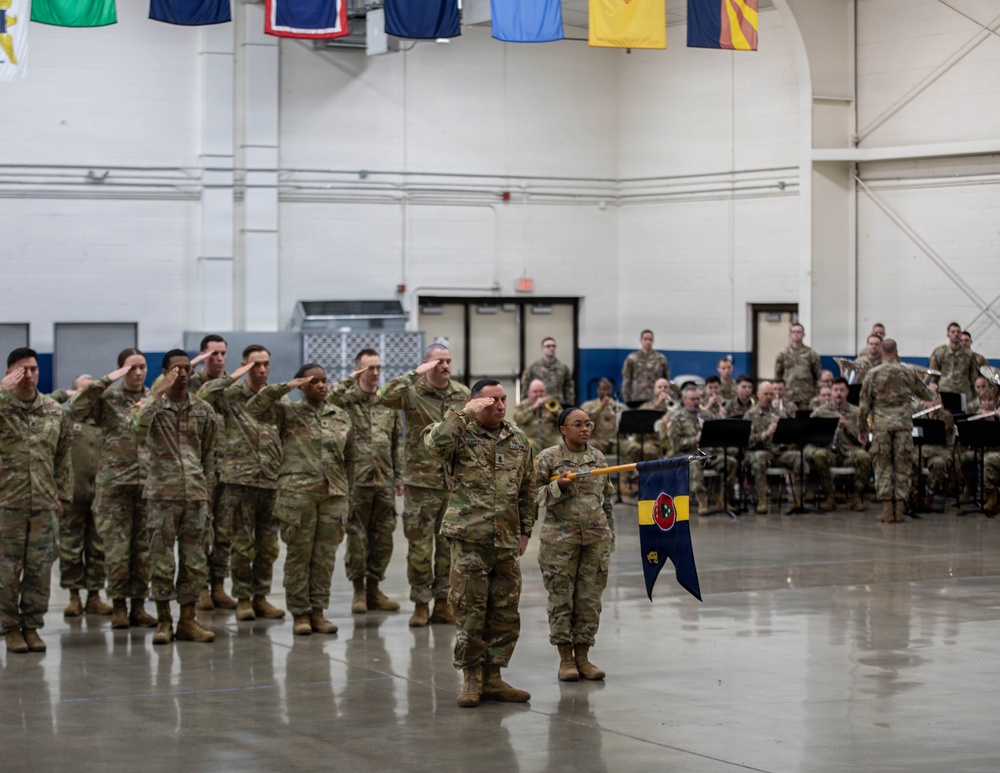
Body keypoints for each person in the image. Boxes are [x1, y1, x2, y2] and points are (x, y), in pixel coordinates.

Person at [423, 379, 536, 708]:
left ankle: (494, 676)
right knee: (470, 610)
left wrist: (525, 530)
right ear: (476, 404)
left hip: (506, 539)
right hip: (469, 538)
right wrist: (462, 414)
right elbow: (434, 446)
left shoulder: (518, 439)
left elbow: (527, 487)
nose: (501, 406)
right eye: (492, 401)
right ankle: (471, 677)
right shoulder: (457, 431)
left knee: (504, 611)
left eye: (503, 400)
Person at [248, 364, 353, 636]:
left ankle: (318, 611)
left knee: (324, 558)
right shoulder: (288, 412)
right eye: (313, 381)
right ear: (303, 385)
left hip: (333, 495)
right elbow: (255, 408)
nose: (320, 385)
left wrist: (347, 492)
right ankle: (300, 614)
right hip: (298, 496)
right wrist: (286, 386)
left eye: (324, 381)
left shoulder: (340, 416)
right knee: (299, 556)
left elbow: (350, 457)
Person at [378, 344, 470, 628]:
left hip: (451, 482)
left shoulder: (462, 394)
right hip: (421, 481)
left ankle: (443, 603)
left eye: (448, 361)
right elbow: (384, 397)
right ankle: (420, 603)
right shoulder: (412, 391)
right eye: (439, 362)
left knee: (448, 547)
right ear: (427, 364)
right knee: (419, 547)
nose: (445, 366)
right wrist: (412, 374)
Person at [131, 350, 218, 644]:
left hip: (194, 495)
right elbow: (135, 429)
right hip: (162, 495)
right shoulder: (153, 405)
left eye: (186, 368)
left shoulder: (203, 410)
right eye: (175, 369)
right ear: (165, 372)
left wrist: (206, 492)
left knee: (194, 561)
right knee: (161, 561)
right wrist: (156, 395)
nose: (182, 374)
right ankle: (164, 621)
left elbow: (208, 454)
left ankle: (188, 621)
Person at [197, 345, 285, 622]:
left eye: (265, 364)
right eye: (255, 365)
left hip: (271, 481)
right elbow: (204, 395)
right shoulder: (231, 396)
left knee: (268, 547)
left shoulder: (275, 400)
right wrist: (235, 375)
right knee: (242, 545)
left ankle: (261, 597)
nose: (261, 370)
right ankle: (244, 598)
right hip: (239, 481)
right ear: (245, 365)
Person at [71, 348, 158, 629]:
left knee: (143, 551)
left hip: (147, 485)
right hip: (114, 486)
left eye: (142, 367)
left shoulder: (154, 398)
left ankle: (139, 607)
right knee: (117, 550)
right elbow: (77, 407)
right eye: (130, 368)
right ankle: (119, 606)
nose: (137, 373)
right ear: (120, 370)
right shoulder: (107, 399)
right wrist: (105, 381)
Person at [534, 407, 615, 683]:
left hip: (595, 540)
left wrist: (610, 537)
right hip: (560, 542)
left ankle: (584, 656)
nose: (585, 429)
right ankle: (566, 659)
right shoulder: (548, 458)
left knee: (589, 601)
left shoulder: (598, 458)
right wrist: (559, 487)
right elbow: (532, 496)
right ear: (563, 429)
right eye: (578, 424)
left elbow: (607, 500)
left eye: (588, 424)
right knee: (561, 600)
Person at [1, 348, 73, 654]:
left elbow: (63, 456)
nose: (29, 375)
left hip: (44, 504)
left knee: (40, 570)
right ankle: (9, 628)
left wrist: (63, 495)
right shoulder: (2, 407)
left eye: (33, 369)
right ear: (9, 374)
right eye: (21, 370)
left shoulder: (53, 410)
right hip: (7, 504)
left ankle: (32, 626)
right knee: (6, 571)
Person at [327, 348, 404, 615]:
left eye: (378, 368)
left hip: (383, 480)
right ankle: (358, 591)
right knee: (357, 538)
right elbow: (326, 397)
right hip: (355, 481)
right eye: (369, 368)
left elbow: (397, 442)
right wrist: (350, 379)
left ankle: (374, 589)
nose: (375, 373)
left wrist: (399, 476)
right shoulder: (347, 401)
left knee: (383, 538)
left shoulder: (387, 404)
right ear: (359, 370)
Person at [859, 339, 935, 523]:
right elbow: (926, 395)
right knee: (903, 467)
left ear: (882, 352)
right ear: (897, 351)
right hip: (903, 426)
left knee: (882, 467)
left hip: (881, 427)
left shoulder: (873, 374)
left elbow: (863, 406)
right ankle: (900, 510)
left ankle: (887, 511)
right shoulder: (908, 372)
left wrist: (862, 429)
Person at [60, 374, 113, 618]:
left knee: (98, 548)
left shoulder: (103, 421)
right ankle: (73, 597)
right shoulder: (65, 420)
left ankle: (94, 596)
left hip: (101, 495)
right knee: (71, 548)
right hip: (73, 495)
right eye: (83, 392)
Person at [668, 387, 735, 512]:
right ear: (684, 400)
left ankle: (722, 498)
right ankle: (702, 500)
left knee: (729, 462)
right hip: (688, 455)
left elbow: (719, 435)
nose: (696, 402)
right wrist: (695, 439)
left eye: (698, 399)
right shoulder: (676, 417)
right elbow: (676, 445)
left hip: (708, 453)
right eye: (692, 399)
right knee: (694, 464)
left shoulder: (707, 415)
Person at [810, 377, 871, 512]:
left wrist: (847, 426)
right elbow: (812, 434)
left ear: (847, 392)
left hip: (850, 452)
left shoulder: (857, 412)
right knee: (819, 456)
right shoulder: (820, 412)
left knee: (865, 457)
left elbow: (863, 439)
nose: (838, 393)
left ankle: (856, 496)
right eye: (836, 390)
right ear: (831, 392)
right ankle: (829, 496)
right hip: (829, 451)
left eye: (842, 390)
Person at [744, 380, 800, 514]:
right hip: (759, 451)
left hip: (778, 452)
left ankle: (798, 499)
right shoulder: (750, 415)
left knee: (799, 458)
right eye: (765, 394)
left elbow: (789, 439)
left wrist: (783, 428)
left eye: (771, 394)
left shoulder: (779, 414)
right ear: (758, 394)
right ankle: (762, 499)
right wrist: (766, 433)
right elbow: (747, 441)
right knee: (759, 458)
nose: (769, 397)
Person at [774, 322, 821, 410]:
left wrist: (818, 394)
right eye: (794, 332)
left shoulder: (811, 353)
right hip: (788, 395)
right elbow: (778, 376)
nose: (796, 334)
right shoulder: (783, 354)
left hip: (807, 396)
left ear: (803, 334)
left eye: (799, 332)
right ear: (790, 334)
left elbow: (818, 375)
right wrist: (777, 394)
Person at [929, 322, 978, 401]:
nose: (956, 334)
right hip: (944, 391)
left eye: (958, 332)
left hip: (963, 392)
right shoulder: (940, 352)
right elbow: (934, 374)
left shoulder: (969, 355)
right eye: (953, 332)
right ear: (948, 335)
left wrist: (974, 397)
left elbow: (973, 377)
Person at [520, 337, 574, 407]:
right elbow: (525, 388)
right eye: (548, 346)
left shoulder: (563, 368)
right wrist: (525, 406)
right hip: (539, 405)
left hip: (558, 405)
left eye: (553, 346)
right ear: (542, 349)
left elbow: (569, 388)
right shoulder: (533, 368)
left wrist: (569, 405)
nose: (551, 348)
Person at [513, 378, 562, 454]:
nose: (539, 394)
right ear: (529, 393)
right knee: (528, 445)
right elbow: (518, 418)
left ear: (545, 392)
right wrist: (533, 407)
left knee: (562, 444)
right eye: (535, 391)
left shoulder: (551, 402)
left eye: (541, 391)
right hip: (532, 438)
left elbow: (564, 419)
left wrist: (555, 413)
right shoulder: (522, 405)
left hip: (550, 438)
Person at [621, 330, 669, 404]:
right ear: (641, 341)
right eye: (645, 339)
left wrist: (664, 396)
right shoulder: (632, 358)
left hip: (656, 399)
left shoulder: (660, 359)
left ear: (653, 341)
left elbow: (666, 380)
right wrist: (627, 400)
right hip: (636, 398)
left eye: (650, 339)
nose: (648, 342)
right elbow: (626, 381)